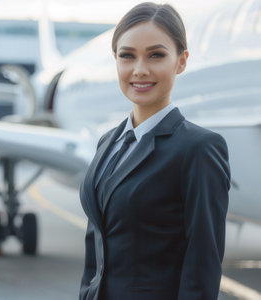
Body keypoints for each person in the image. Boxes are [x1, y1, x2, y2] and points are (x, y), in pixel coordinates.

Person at [79, 2, 231, 300]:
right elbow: (95, 250)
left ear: (181, 61)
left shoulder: (199, 149)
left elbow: (203, 266)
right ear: (116, 61)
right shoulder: (108, 143)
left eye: (156, 55)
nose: (140, 70)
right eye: (127, 56)